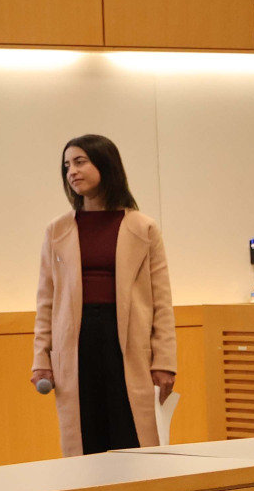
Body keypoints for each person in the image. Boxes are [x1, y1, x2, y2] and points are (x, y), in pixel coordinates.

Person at [32, 135, 177, 455]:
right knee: (85, 434)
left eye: (80, 161)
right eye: (67, 165)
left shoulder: (143, 227)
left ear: (106, 165)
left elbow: (161, 301)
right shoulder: (57, 230)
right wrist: (41, 359)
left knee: (133, 433)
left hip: (128, 342)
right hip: (77, 342)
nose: (72, 171)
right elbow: (46, 299)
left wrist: (165, 360)